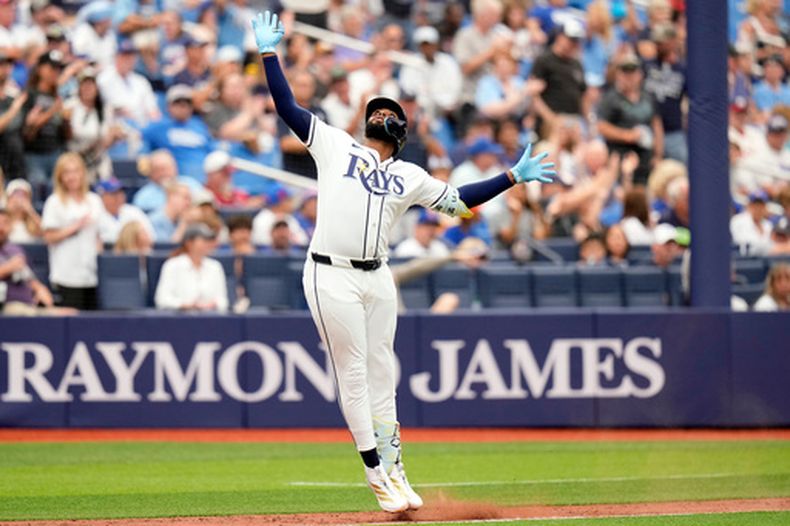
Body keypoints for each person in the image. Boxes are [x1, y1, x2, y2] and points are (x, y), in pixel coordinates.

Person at [252, 10, 555, 514]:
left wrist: (510, 177)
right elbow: (286, 105)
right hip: (329, 271)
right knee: (352, 373)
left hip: (377, 276)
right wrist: (268, 53)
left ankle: (395, 468)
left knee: (381, 375)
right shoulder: (335, 144)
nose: (381, 114)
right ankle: (375, 472)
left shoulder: (409, 175)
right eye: (377, 110)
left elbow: (458, 200)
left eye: (388, 112)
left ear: (399, 131)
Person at [41, 152, 103, 310]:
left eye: (75, 171)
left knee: (92, 320)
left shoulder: (94, 200)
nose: (72, 177)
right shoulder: (54, 202)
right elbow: (48, 237)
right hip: (66, 274)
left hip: (92, 274)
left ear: (82, 173)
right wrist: (74, 227)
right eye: (66, 172)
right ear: (60, 177)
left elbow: (99, 235)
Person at [0, 208, 75, 316]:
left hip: (29, 304)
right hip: (8, 306)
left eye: (5, 223)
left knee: (72, 314)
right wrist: (7, 268)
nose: (1, 228)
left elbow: (28, 276)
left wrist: (40, 289)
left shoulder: (15, 250)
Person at [154, 222, 228, 312]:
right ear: (189, 243)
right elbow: (162, 299)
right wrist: (185, 305)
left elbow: (223, 300)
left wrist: (212, 304)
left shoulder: (215, 267)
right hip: (180, 317)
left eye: (209, 240)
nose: (208, 244)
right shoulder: (172, 265)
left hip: (211, 317)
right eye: (204, 240)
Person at [96, 178, 154, 244]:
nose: (119, 196)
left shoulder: (134, 211)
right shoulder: (95, 214)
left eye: (121, 192)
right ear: (102, 196)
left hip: (132, 249)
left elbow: (150, 236)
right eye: (114, 193)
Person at [4, 179, 42, 243]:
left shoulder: (33, 222)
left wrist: (30, 211)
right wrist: (7, 211)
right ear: (8, 199)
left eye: (24, 196)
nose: (19, 200)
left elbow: (46, 232)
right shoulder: (3, 219)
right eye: (15, 195)